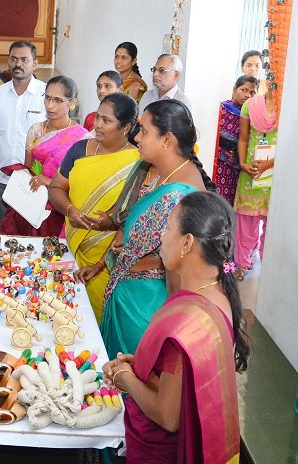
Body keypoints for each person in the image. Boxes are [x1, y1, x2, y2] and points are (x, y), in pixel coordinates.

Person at [103, 191, 249, 463]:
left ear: (187, 243)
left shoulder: (187, 320)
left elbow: (169, 417)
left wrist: (126, 379)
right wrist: (140, 367)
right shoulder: (218, 297)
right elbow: (184, 379)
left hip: (163, 453)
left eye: (168, 228)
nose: (161, 236)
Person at [97, 100, 214, 356]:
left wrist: (139, 259)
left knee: (129, 386)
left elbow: (178, 269)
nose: (136, 137)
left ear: (167, 140)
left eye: (144, 131)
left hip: (146, 306)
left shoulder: (178, 195)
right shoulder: (164, 174)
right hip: (131, 295)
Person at [49, 93, 139, 322]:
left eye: (106, 121)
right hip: (72, 248)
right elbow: (56, 189)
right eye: (97, 117)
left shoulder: (138, 161)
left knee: (98, 324)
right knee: (64, 316)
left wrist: (111, 224)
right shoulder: (79, 150)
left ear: (126, 127)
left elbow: (135, 216)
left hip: (109, 261)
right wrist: (70, 210)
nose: (97, 125)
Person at [0, 76, 88, 237]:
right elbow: (28, 169)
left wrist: (49, 182)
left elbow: (82, 183)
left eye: (57, 100)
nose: (49, 105)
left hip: (59, 209)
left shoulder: (82, 138)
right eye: (47, 98)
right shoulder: (35, 131)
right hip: (30, 203)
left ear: (72, 103)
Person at [0, 41, 47, 231]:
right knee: (4, 231)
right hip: (3, 179)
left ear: (35, 63)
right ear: (8, 62)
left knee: (35, 232)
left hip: (37, 180)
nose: (19, 64)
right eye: (14, 59)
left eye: (24, 59)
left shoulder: (45, 93)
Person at [233, 90, 277, 281]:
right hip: (250, 172)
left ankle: (270, 268)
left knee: (273, 223)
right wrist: (243, 163)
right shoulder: (250, 104)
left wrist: (269, 164)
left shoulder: (289, 107)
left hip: (276, 174)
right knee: (245, 222)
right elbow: (243, 138)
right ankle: (241, 264)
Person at [211, 75, 258, 206]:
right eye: (243, 90)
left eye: (252, 92)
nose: (247, 95)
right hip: (215, 165)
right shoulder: (221, 109)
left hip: (236, 170)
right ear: (234, 89)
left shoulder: (255, 118)